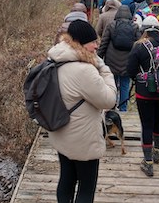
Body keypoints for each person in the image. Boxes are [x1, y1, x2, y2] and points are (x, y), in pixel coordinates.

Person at [47, 20, 117, 202]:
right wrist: (104, 69)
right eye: (93, 42)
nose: (96, 46)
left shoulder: (55, 59)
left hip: (62, 133)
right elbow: (109, 100)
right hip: (84, 140)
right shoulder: (84, 70)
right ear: (81, 43)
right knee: (86, 188)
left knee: (66, 180)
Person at [126, 16, 159, 177]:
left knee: (147, 124)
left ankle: (148, 162)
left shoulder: (139, 46)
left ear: (144, 30)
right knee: (158, 121)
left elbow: (130, 70)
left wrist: (139, 78)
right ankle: (157, 152)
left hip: (145, 93)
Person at [97, 5, 141, 112]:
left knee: (112, 85)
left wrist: (98, 58)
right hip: (127, 63)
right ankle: (123, 108)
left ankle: (112, 107)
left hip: (111, 62)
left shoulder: (111, 26)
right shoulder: (135, 27)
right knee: (125, 85)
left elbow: (104, 43)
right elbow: (138, 46)